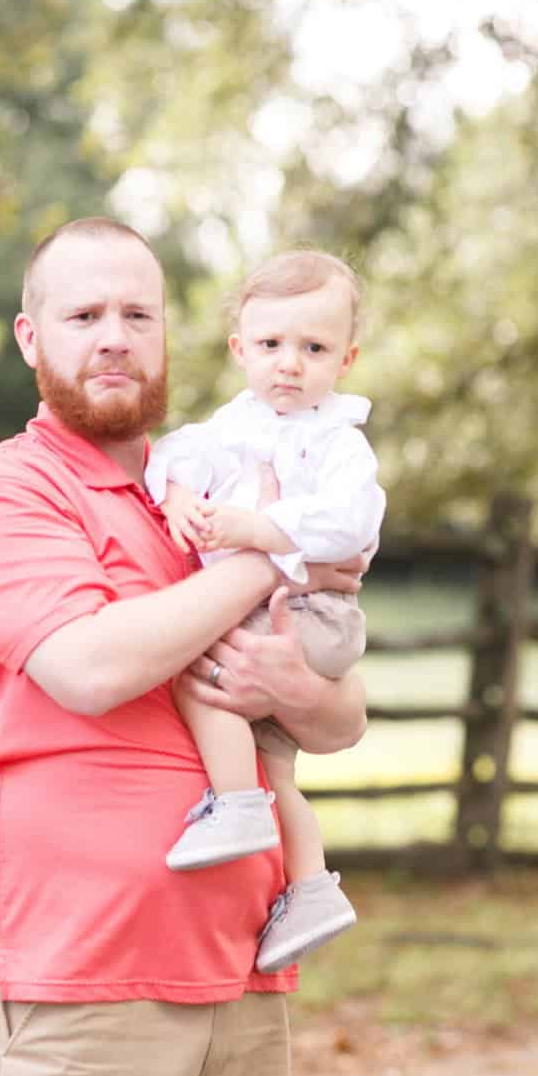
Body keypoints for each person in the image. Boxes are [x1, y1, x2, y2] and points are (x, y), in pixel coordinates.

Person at [0, 217, 369, 1076]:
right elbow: (89, 665)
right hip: (86, 973)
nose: (114, 335)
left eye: (138, 313)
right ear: (32, 337)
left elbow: (340, 720)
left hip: (245, 968)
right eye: (84, 315)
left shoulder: (212, 476)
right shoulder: (6, 492)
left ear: (175, 335)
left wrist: (285, 653)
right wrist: (273, 549)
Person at [146, 251, 385, 973]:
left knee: (198, 673)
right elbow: (179, 453)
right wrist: (180, 495)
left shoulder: (338, 440)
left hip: (310, 612)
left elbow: (352, 522)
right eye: (272, 345)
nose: (290, 364)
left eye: (313, 349)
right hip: (294, 611)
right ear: (240, 350)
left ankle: (235, 805)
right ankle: (312, 888)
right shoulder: (237, 426)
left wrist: (258, 530)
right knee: (278, 766)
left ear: (344, 359)